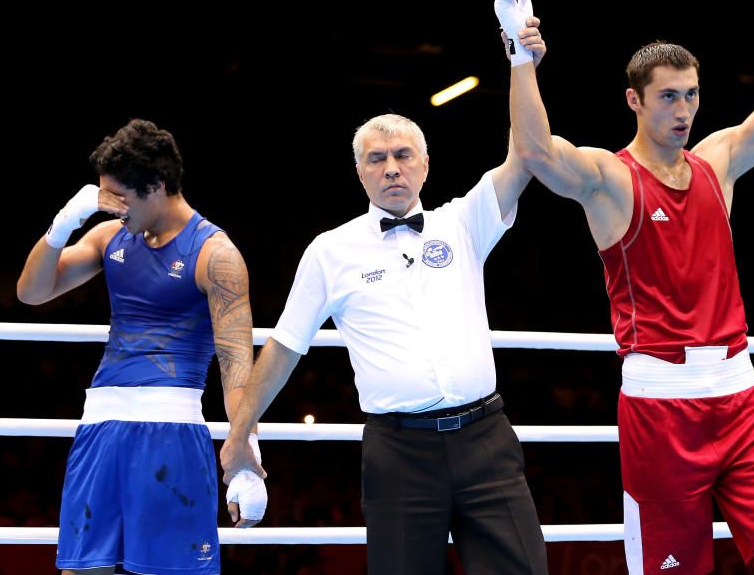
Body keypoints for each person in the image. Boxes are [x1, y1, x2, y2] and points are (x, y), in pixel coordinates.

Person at [497, 0, 754, 575]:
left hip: (740, 393)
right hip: (661, 406)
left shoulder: (718, 161)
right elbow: (536, 151)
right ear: (634, 101)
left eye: (691, 94)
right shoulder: (611, 180)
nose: (684, 109)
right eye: (668, 97)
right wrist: (519, 53)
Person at [221, 111, 552, 573]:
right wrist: (239, 433)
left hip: (485, 440)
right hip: (399, 454)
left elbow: (527, 154)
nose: (391, 168)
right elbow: (284, 345)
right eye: (377, 159)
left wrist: (520, 59)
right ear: (360, 172)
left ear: (425, 164)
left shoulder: (463, 221)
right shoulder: (329, 251)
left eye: (402, 155)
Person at [16, 119, 266, 575]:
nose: (109, 207)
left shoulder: (215, 254)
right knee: (82, 570)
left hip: (169, 432)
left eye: (119, 197)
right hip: (99, 428)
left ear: (157, 186)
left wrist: (246, 453)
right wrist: (63, 224)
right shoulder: (111, 235)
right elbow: (31, 292)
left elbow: (236, 365)